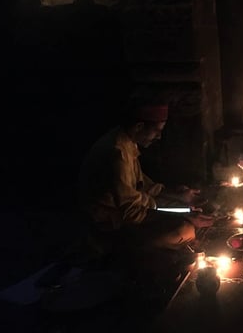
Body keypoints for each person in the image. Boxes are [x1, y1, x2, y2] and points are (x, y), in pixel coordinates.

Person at [77, 95, 214, 254]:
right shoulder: (117, 153)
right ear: (139, 127)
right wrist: (182, 217)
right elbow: (130, 212)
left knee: (186, 209)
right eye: (157, 131)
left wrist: (179, 196)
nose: (159, 137)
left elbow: (142, 186)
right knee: (185, 230)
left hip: (126, 213)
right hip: (109, 226)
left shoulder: (127, 141)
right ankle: (120, 252)